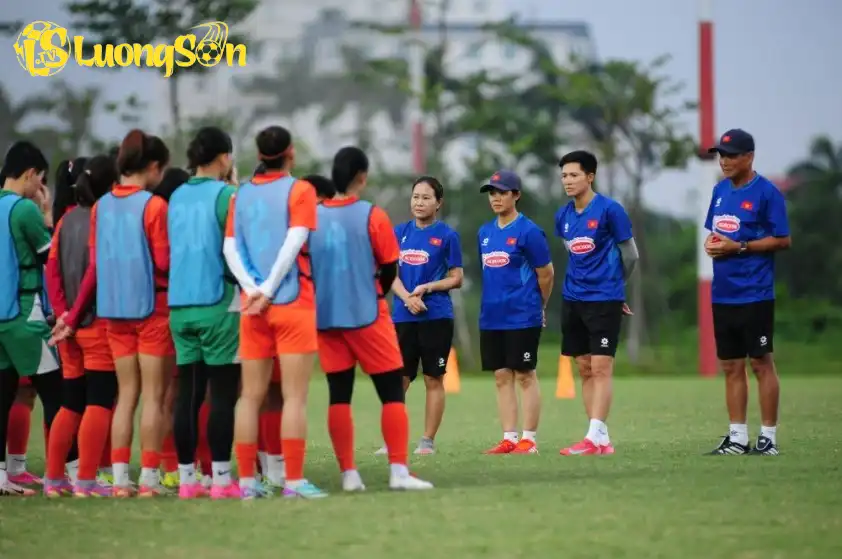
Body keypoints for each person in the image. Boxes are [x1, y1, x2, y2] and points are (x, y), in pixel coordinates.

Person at [309, 146, 433, 491]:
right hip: (368, 315)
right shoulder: (372, 215)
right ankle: (399, 472)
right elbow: (390, 267)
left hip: (327, 319)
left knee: (339, 395)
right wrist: (373, 290)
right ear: (362, 177)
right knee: (392, 392)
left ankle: (349, 475)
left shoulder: (312, 217)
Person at [62, 129, 174, 496]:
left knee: (126, 395)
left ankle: (122, 480)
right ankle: (150, 480)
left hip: (114, 312)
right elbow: (163, 261)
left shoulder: (101, 207)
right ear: (153, 166)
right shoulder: (155, 206)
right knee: (154, 396)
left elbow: (95, 267)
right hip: (152, 310)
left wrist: (73, 317)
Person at [223, 125, 323, 499]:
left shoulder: (242, 194)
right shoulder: (301, 190)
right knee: (294, 397)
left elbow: (230, 248)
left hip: (252, 309)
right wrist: (268, 289)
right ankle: (293, 481)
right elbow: (295, 241)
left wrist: (252, 290)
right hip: (293, 302)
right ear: (290, 153)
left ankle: (248, 483)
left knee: (250, 397)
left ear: (260, 155)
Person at [703, 129, 790, 456]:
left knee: (761, 363)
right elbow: (715, 232)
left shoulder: (767, 193)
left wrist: (739, 247)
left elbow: (783, 240)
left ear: (749, 157)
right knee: (730, 366)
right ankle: (737, 438)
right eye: (721, 155)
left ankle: (768, 438)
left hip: (755, 293)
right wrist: (712, 243)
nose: (724, 161)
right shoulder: (720, 191)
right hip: (723, 293)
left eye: (731, 155)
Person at [168, 126, 241, 499]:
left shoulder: (176, 195)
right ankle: (222, 480)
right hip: (217, 303)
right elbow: (237, 249)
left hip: (180, 306)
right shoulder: (227, 195)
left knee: (188, 394)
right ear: (224, 157)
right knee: (223, 394)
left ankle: (186, 480)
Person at [45, 155, 119, 497]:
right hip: (94, 324)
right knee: (99, 401)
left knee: (71, 402)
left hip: (67, 329)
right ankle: (86, 481)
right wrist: (74, 316)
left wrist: (63, 315)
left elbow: (52, 270)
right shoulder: (103, 218)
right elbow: (95, 272)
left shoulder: (65, 219)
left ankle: (54, 479)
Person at [555, 151, 637, 456]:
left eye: (574, 175)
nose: (567, 180)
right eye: (564, 175)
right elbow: (572, 252)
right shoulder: (562, 216)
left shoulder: (610, 210)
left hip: (604, 298)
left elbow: (631, 255)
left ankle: (593, 438)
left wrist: (616, 288)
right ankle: (599, 439)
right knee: (585, 368)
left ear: (590, 177)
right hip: (573, 298)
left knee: (602, 367)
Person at [377, 176, 463, 456]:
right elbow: (389, 274)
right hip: (403, 317)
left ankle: (427, 441)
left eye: (426, 197)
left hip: (436, 317)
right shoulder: (398, 232)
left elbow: (457, 278)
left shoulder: (447, 236)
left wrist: (427, 288)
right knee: (399, 379)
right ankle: (392, 441)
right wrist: (407, 298)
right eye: (416, 196)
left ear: (438, 203)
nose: (419, 202)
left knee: (433, 379)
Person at [0, 141, 63, 496]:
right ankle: (64, 473)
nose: (40, 187)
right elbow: (49, 256)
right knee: (56, 395)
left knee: (3, 396)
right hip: (24, 314)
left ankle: (2, 478)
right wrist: (47, 214)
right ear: (29, 174)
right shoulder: (24, 209)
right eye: (40, 179)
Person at [478, 170, 554, 455]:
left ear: (516, 195)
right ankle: (509, 437)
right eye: (492, 193)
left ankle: (528, 439)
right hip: (491, 316)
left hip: (522, 314)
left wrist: (540, 305)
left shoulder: (529, 231)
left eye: (502, 192)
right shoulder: (484, 233)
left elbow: (546, 274)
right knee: (501, 375)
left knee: (524, 374)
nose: (496, 198)